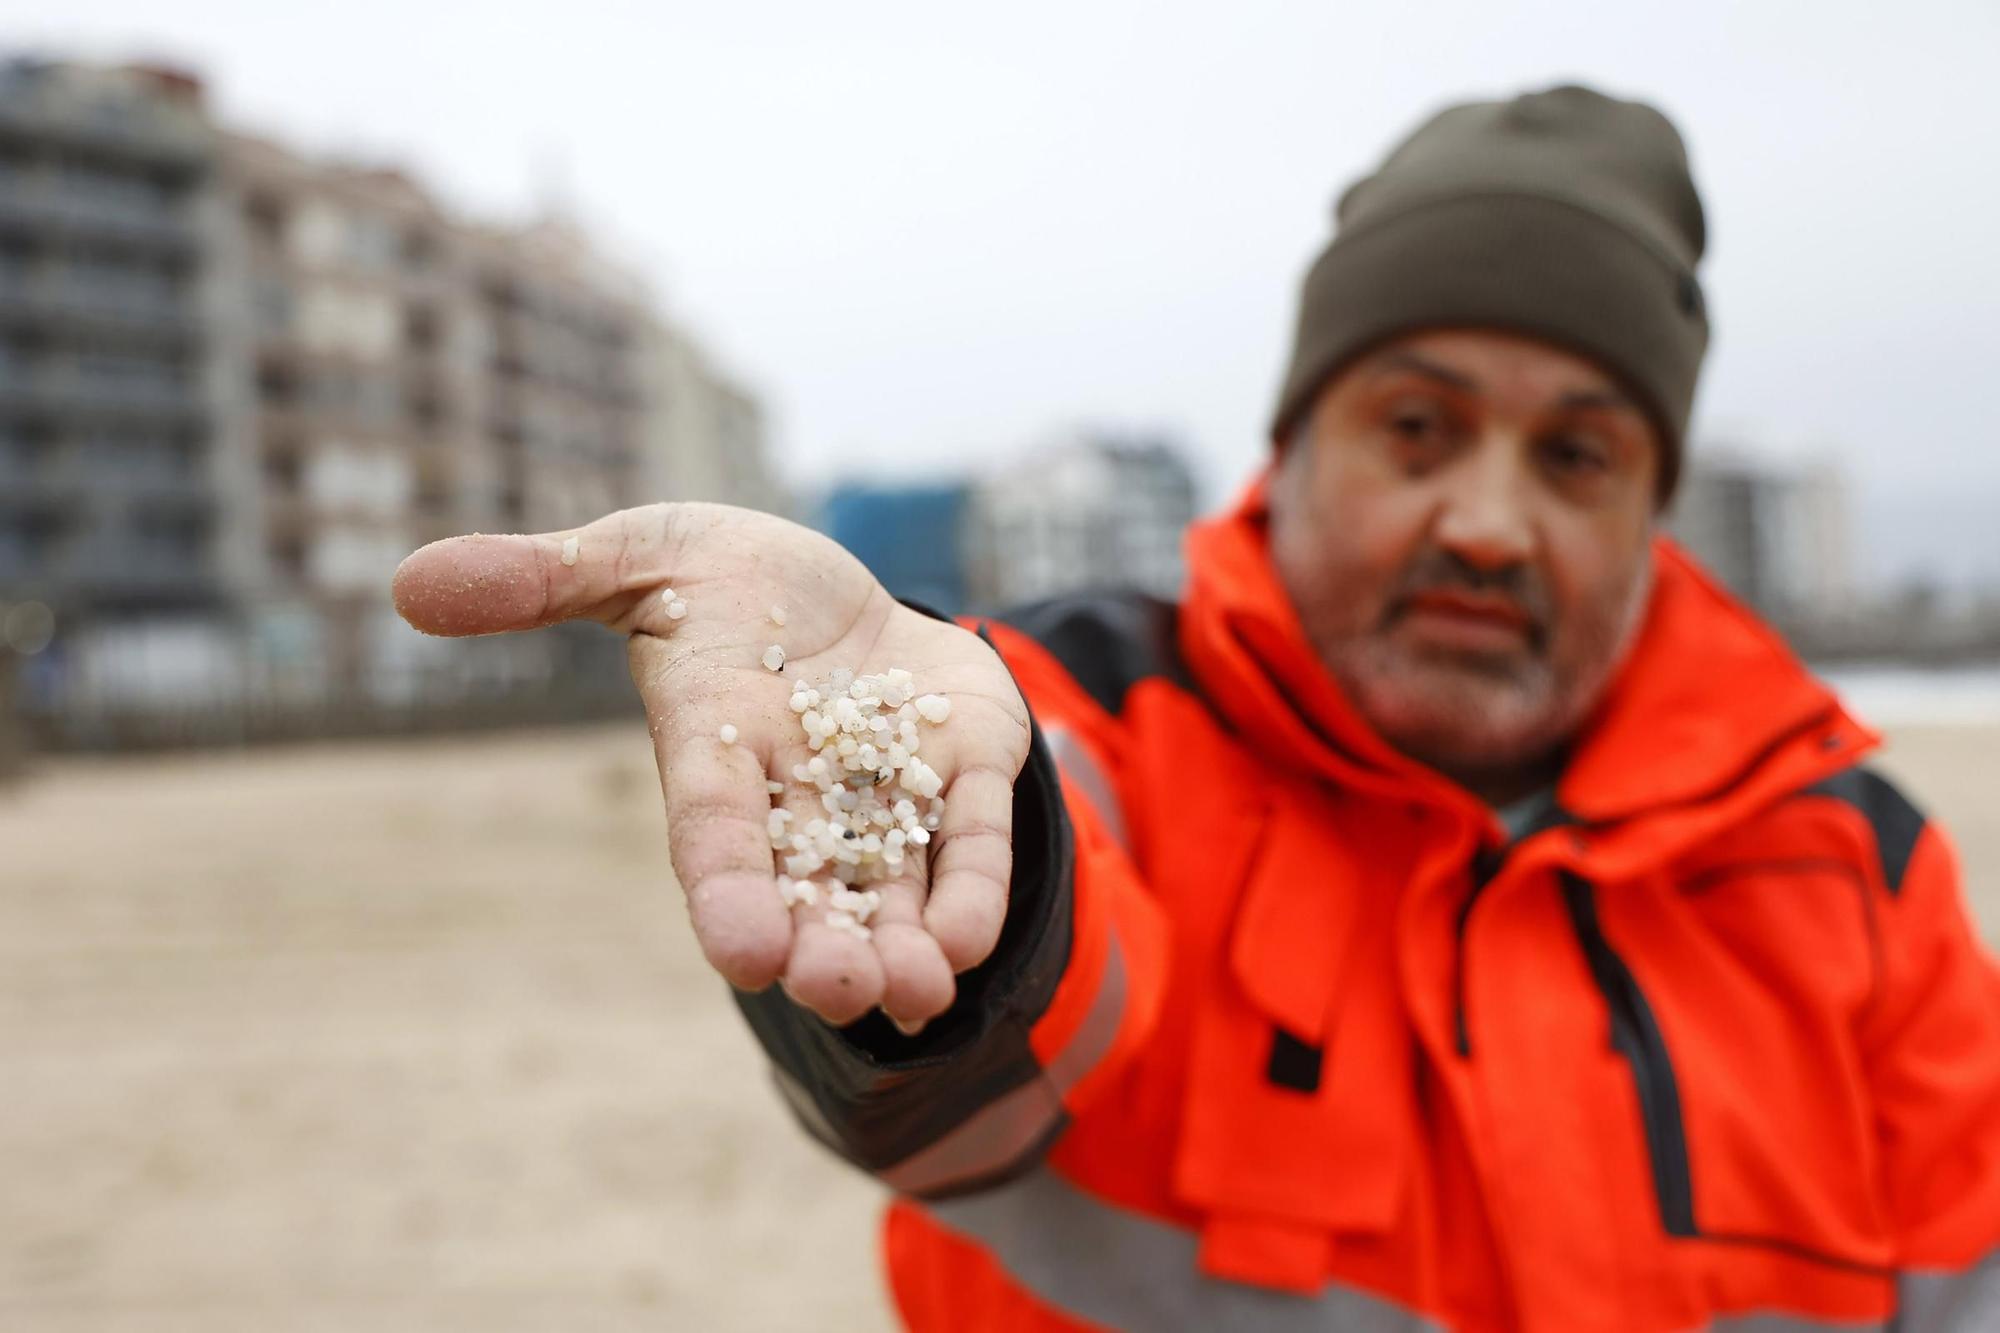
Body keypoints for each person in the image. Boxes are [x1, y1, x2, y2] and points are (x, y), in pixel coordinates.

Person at [392, 85, 2000, 1331]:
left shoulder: (1861, 872)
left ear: (1652, 505)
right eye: (1418, 425)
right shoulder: (1090, 724)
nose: (1490, 522)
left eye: (1577, 455)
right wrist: (972, 879)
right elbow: (1005, 1020)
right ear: (1291, 447)